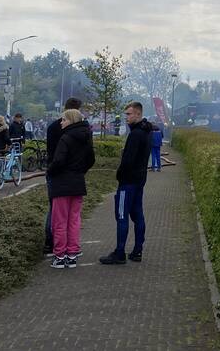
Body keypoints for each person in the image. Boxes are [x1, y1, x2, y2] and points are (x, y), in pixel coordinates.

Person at [100, 101, 152, 265]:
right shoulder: (147, 132)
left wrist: (120, 175)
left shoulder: (135, 135)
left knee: (122, 216)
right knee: (138, 215)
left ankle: (120, 252)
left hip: (128, 182)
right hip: (139, 181)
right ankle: (137, 251)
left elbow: (128, 160)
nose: (126, 118)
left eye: (129, 114)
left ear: (137, 114)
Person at [47, 108, 95, 269]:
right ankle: (72, 254)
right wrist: (80, 171)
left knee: (59, 222)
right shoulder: (86, 137)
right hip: (78, 184)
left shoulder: (65, 138)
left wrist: (50, 171)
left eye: (63, 119)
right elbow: (91, 159)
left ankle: (59, 256)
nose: (61, 122)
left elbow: (58, 161)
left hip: (61, 184)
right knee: (74, 221)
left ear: (71, 120)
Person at [44, 98, 82, 256]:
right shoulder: (80, 132)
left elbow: (52, 154)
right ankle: (70, 249)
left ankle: (52, 245)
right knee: (72, 217)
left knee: (56, 212)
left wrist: (50, 170)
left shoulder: (53, 127)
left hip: (57, 174)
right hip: (73, 176)